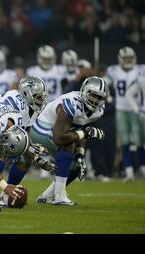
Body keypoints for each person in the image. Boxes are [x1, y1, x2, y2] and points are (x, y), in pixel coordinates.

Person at [0, 76, 55, 207]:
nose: (41, 100)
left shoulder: (30, 107)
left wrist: (36, 157)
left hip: (4, 132)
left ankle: (6, 195)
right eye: (38, 97)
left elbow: (25, 133)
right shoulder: (14, 101)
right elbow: (6, 132)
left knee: (26, 158)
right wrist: (31, 149)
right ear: (27, 93)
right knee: (1, 150)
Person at [33, 76, 107, 205]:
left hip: (59, 132)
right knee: (68, 145)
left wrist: (80, 154)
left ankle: (46, 196)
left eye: (99, 97)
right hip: (41, 129)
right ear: (84, 90)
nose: (96, 100)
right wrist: (84, 133)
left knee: (76, 165)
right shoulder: (71, 103)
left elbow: (80, 132)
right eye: (93, 95)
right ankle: (60, 196)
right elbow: (60, 138)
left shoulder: (98, 111)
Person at [105, 47, 142, 181]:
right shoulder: (114, 71)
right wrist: (110, 99)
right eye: (125, 59)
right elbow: (103, 85)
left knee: (139, 141)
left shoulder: (140, 70)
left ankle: (142, 168)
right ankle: (129, 171)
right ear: (120, 59)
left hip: (137, 110)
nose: (127, 61)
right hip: (120, 109)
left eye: (130, 59)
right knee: (124, 142)